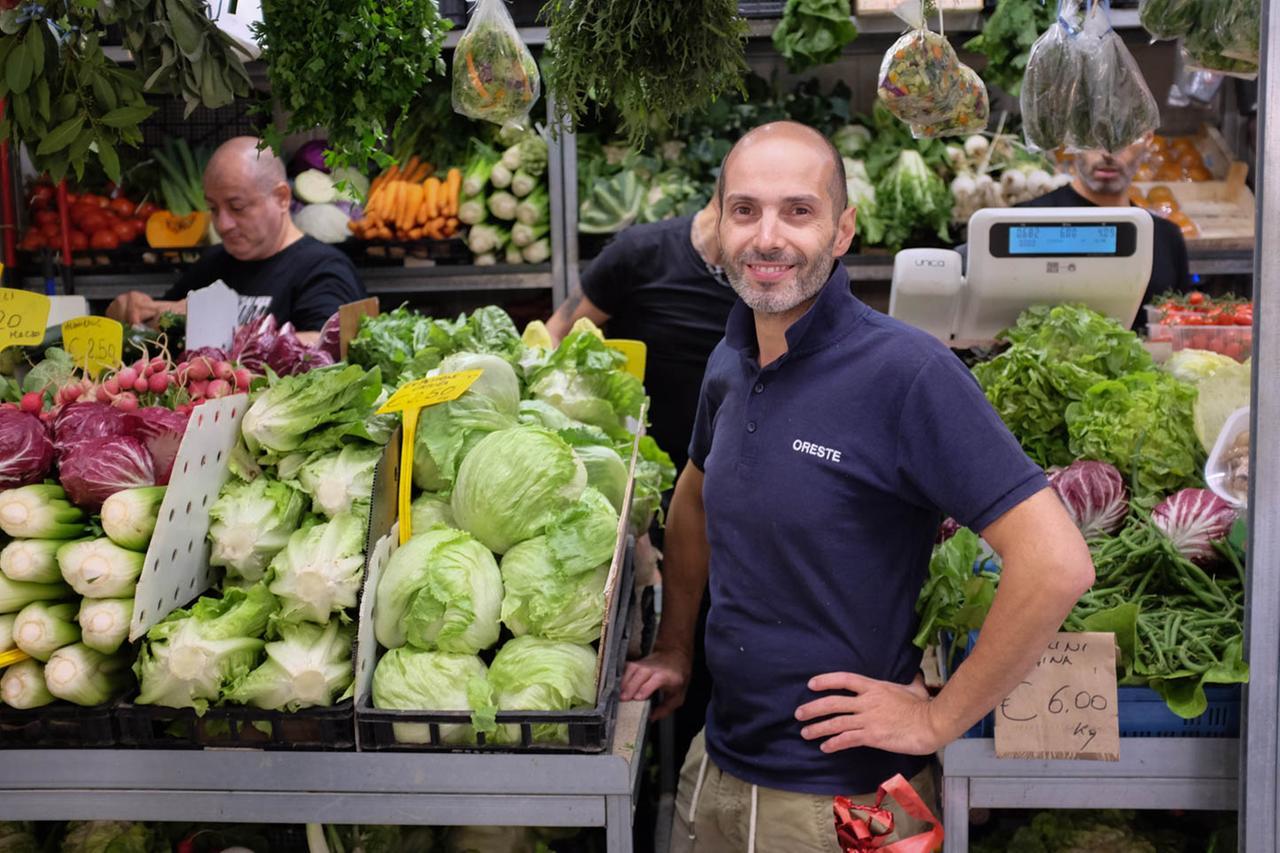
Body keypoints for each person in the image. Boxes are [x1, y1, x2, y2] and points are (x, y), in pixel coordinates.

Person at [620, 121, 1095, 852]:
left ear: (844, 230)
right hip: (714, 772)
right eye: (744, 210)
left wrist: (941, 718)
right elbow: (693, 498)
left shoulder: (908, 373)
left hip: (849, 806)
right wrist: (676, 645)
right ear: (715, 224)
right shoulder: (730, 357)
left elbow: (1057, 562)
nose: (767, 236)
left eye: (798, 211)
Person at [546, 199, 737, 786]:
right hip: (647, 498)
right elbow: (560, 335)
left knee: (720, 654)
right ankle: (668, 778)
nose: (768, 232)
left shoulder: (779, 271)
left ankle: (710, 776)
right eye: (750, 208)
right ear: (723, 200)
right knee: (653, 653)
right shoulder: (641, 253)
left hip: (741, 499)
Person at [106, 137, 366, 340]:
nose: (223, 224)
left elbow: (324, 345)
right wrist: (130, 311)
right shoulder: (215, 263)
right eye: (214, 208)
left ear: (282, 198)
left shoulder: (324, 269)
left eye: (237, 207)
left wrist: (211, 324)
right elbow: (164, 317)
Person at [1018, 136, 1190, 327]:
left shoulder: (1166, 238)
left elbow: (1179, 327)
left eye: (1124, 135)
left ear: (1148, 140)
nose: (1108, 152)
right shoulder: (1023, 224)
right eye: (1094, 136)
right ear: (1071, 138)